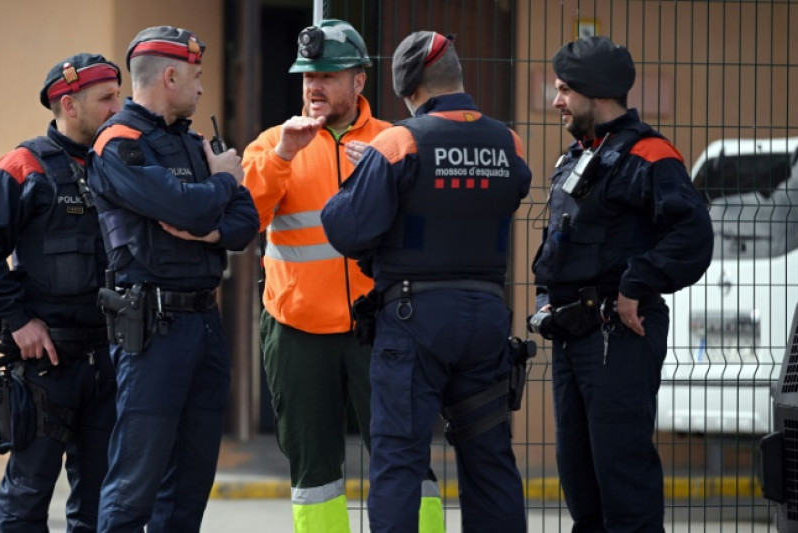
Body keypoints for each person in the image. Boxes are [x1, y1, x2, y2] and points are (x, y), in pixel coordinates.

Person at [321, 31, 531, 533]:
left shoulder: (398, 141)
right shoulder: (509, 141)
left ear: (410, 87)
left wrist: (365, 175)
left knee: (399, 462)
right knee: (490, 461)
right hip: (485, 319)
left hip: (415, 322)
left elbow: (346, 228)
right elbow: (506, 194)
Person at [242, 19, 444, 532]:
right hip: (296, 330)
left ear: (359, 82)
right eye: (307, 74)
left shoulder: (396, 141)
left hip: (382, 326)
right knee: (313, 472)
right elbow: (247, 219)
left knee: (404, 457)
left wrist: (384, 171)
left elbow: (427, 227)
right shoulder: (271, 143)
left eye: (328, 74)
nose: (314, 84)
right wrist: (285, 155)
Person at [530, 36, 713, 532]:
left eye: (565, 89)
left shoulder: (650, 156)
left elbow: (692, 234)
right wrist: (546, 299)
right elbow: (557, 247)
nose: (556, 101)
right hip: (573, 338)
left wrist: (636, 283)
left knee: (621, 479)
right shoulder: (576, 157)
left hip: (619, 335)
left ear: (597, 92)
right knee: (581, 480)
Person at [85, 25, 259, 532]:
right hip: (152, 331)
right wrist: (224, 179)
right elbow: (183, 204)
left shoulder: (194, 143)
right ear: (169, 77)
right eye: (196, 78)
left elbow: (245, 222)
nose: (202, 89)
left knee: (188, 489)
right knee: (134, 487)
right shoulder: (119, 144)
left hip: (204, 323)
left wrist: (208, 230)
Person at [0, 53, 122, 531]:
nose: (120, 105)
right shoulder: (24, 165)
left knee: (99, 502)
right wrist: (17, 319)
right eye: (107, 98)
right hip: (45, 367)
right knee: (27, 499)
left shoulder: (118, 162)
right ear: (70, 105)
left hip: (110, 362)